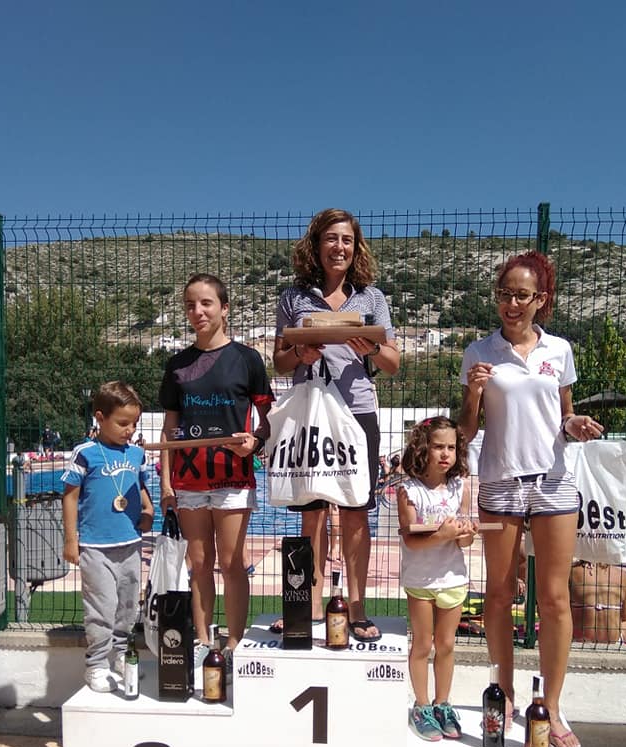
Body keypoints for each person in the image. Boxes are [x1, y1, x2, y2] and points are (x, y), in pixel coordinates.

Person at [459, 250, 603, 747]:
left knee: (556, 598)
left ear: (541, 299)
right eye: (504, 294)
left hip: (553, 481)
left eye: (522, 295)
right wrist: (473, 394)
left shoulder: (559, 350)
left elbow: (563, 415)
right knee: (499, 594)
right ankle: (504, 693)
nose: (512, 304)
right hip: (500, 482)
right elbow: (466, 430)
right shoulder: (480, 351)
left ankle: (553, 707)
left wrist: (575, 424)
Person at [272, 208, 400, 639]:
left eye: (346, 239)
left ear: (356, 247)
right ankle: (308, 605)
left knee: (355, 512)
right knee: (311, 514)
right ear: (316, 245)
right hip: (310, 414)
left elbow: (393, 362)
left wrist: (371, 349)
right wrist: (300, 354)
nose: (339, 247)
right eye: (331, 238)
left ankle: (357, 608)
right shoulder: (293, 298)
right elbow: (279, 361)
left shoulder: (372, 298)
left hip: (357, 413)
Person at [159, 274, 273, 652]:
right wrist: (166, 483)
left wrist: (255, 443)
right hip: (189, 481)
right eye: (190, 305)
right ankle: (204, 642)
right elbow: (169, 429)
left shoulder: (247, 359)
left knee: (232, 562)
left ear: (225, 309)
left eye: (206, 303)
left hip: (233, 478)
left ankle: (235, 643)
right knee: (199, 563)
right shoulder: (177, 365)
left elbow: (267, 421)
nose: (198, 311)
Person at [61, 382, 154, 692]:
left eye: (134, 423)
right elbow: (70, 496)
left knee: (128, 606)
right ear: (100, 418)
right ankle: (97, 664)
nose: (130, 430)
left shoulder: (137, 454)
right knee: (101, 607)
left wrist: (149, 509)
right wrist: (71, 539)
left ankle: (121, 655)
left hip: (130, 543)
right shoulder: (85, 454)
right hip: (95, 546)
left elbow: (140, 486)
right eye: (123, 423)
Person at [397, 417, 476, 741]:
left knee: (446, 644)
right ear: (422, 448)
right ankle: (421, 705)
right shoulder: (409, 490)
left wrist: (465, 533)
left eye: (451, 448)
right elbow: (410, 539)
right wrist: (442, 535)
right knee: (422, 644)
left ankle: (443, 703)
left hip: (453, 578)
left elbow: (465, 541)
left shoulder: (461, 487)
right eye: (438, 447)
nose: (446, 454)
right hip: (420, 579)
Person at [569, 560, 626, 644]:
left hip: (578, 640)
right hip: (612, 642)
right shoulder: (621, 575)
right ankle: (621, 638)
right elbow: (625, 616)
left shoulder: (571, 572)